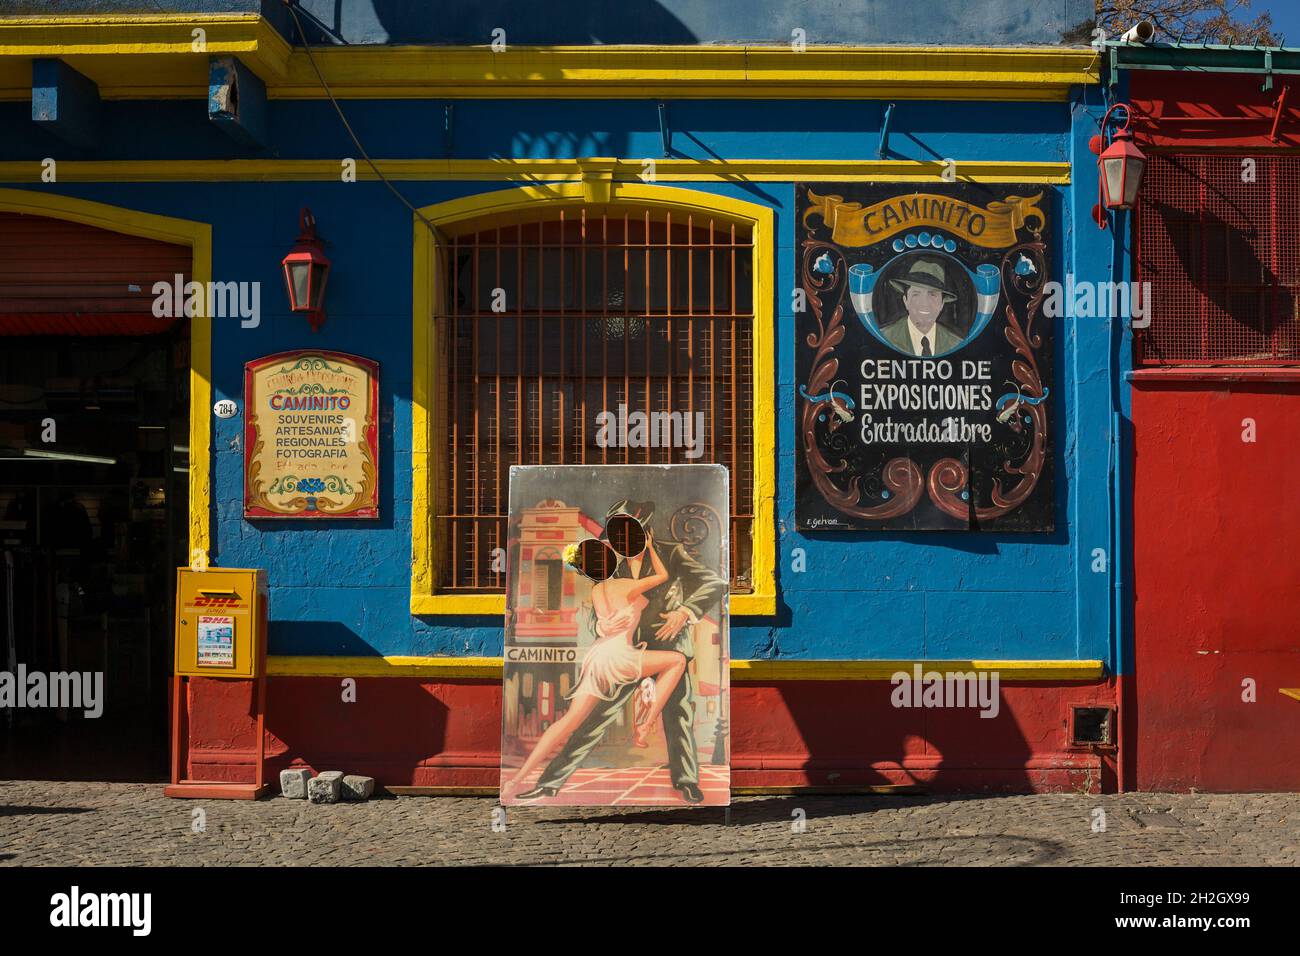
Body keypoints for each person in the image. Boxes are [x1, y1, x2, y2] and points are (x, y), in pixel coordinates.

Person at [512, 499, 728, 804]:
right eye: (617, 532)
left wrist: (685, 611)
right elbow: (600, 600)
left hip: (668, 645)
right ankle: (549, 783)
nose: (621, 539)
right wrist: (600, 626)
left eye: (628, 531)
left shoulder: (672, 552)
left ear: (645, 530)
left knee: (678, 713)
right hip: (623, 652)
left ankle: (686, 782)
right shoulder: (612, 560)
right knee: (592, 720)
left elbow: (714, 582)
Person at [503, 529, 688, 798]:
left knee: (569, 720)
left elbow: (604, 622)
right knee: (677, 660)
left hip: (598, 658)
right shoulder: (625, 586)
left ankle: (517, 780)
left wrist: (602, 625)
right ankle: (645, 724)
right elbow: (662, 576)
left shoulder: (596, 590)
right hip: (619, 656)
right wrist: (648, 547)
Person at [880, 258, 963, 357]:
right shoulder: (885, 338)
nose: (924, 303)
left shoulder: (955, 343)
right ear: (905, 301)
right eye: (916, 294)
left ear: (942, 304)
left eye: (932, 295)